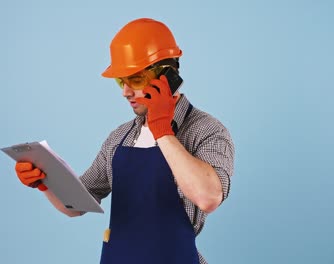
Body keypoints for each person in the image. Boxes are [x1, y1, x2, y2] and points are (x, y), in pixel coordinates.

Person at [14, 18, 234, 264]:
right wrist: (46, 181)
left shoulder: (207, 130)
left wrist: (163, 131)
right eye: (121, 81)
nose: (125, 92)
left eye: (136, 80)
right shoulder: (120, 138)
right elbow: (75, 205)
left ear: (167, 75)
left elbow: (208, 197)